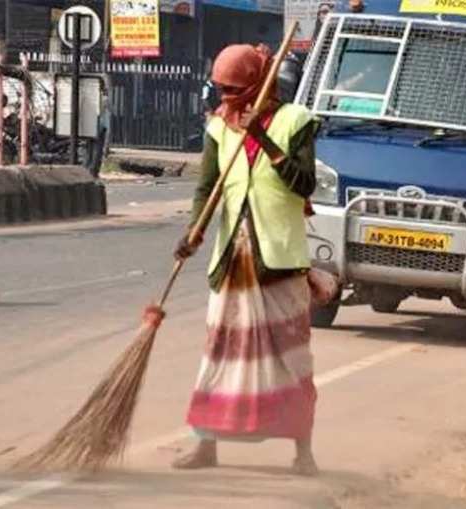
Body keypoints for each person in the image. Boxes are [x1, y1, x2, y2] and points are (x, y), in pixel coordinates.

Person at [172, 44, 338, 475]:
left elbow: (303, 185)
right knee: (219, 354)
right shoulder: (218, 129)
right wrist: (195, 229)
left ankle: (304, 452)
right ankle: (204, 444)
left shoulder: (295, 121)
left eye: (234, 89)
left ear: (259, 84)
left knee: (291, 357)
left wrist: (262, 139)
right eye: (222, 89)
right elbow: (206, 189)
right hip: (233, 258)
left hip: (279, 259)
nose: (227, 98)